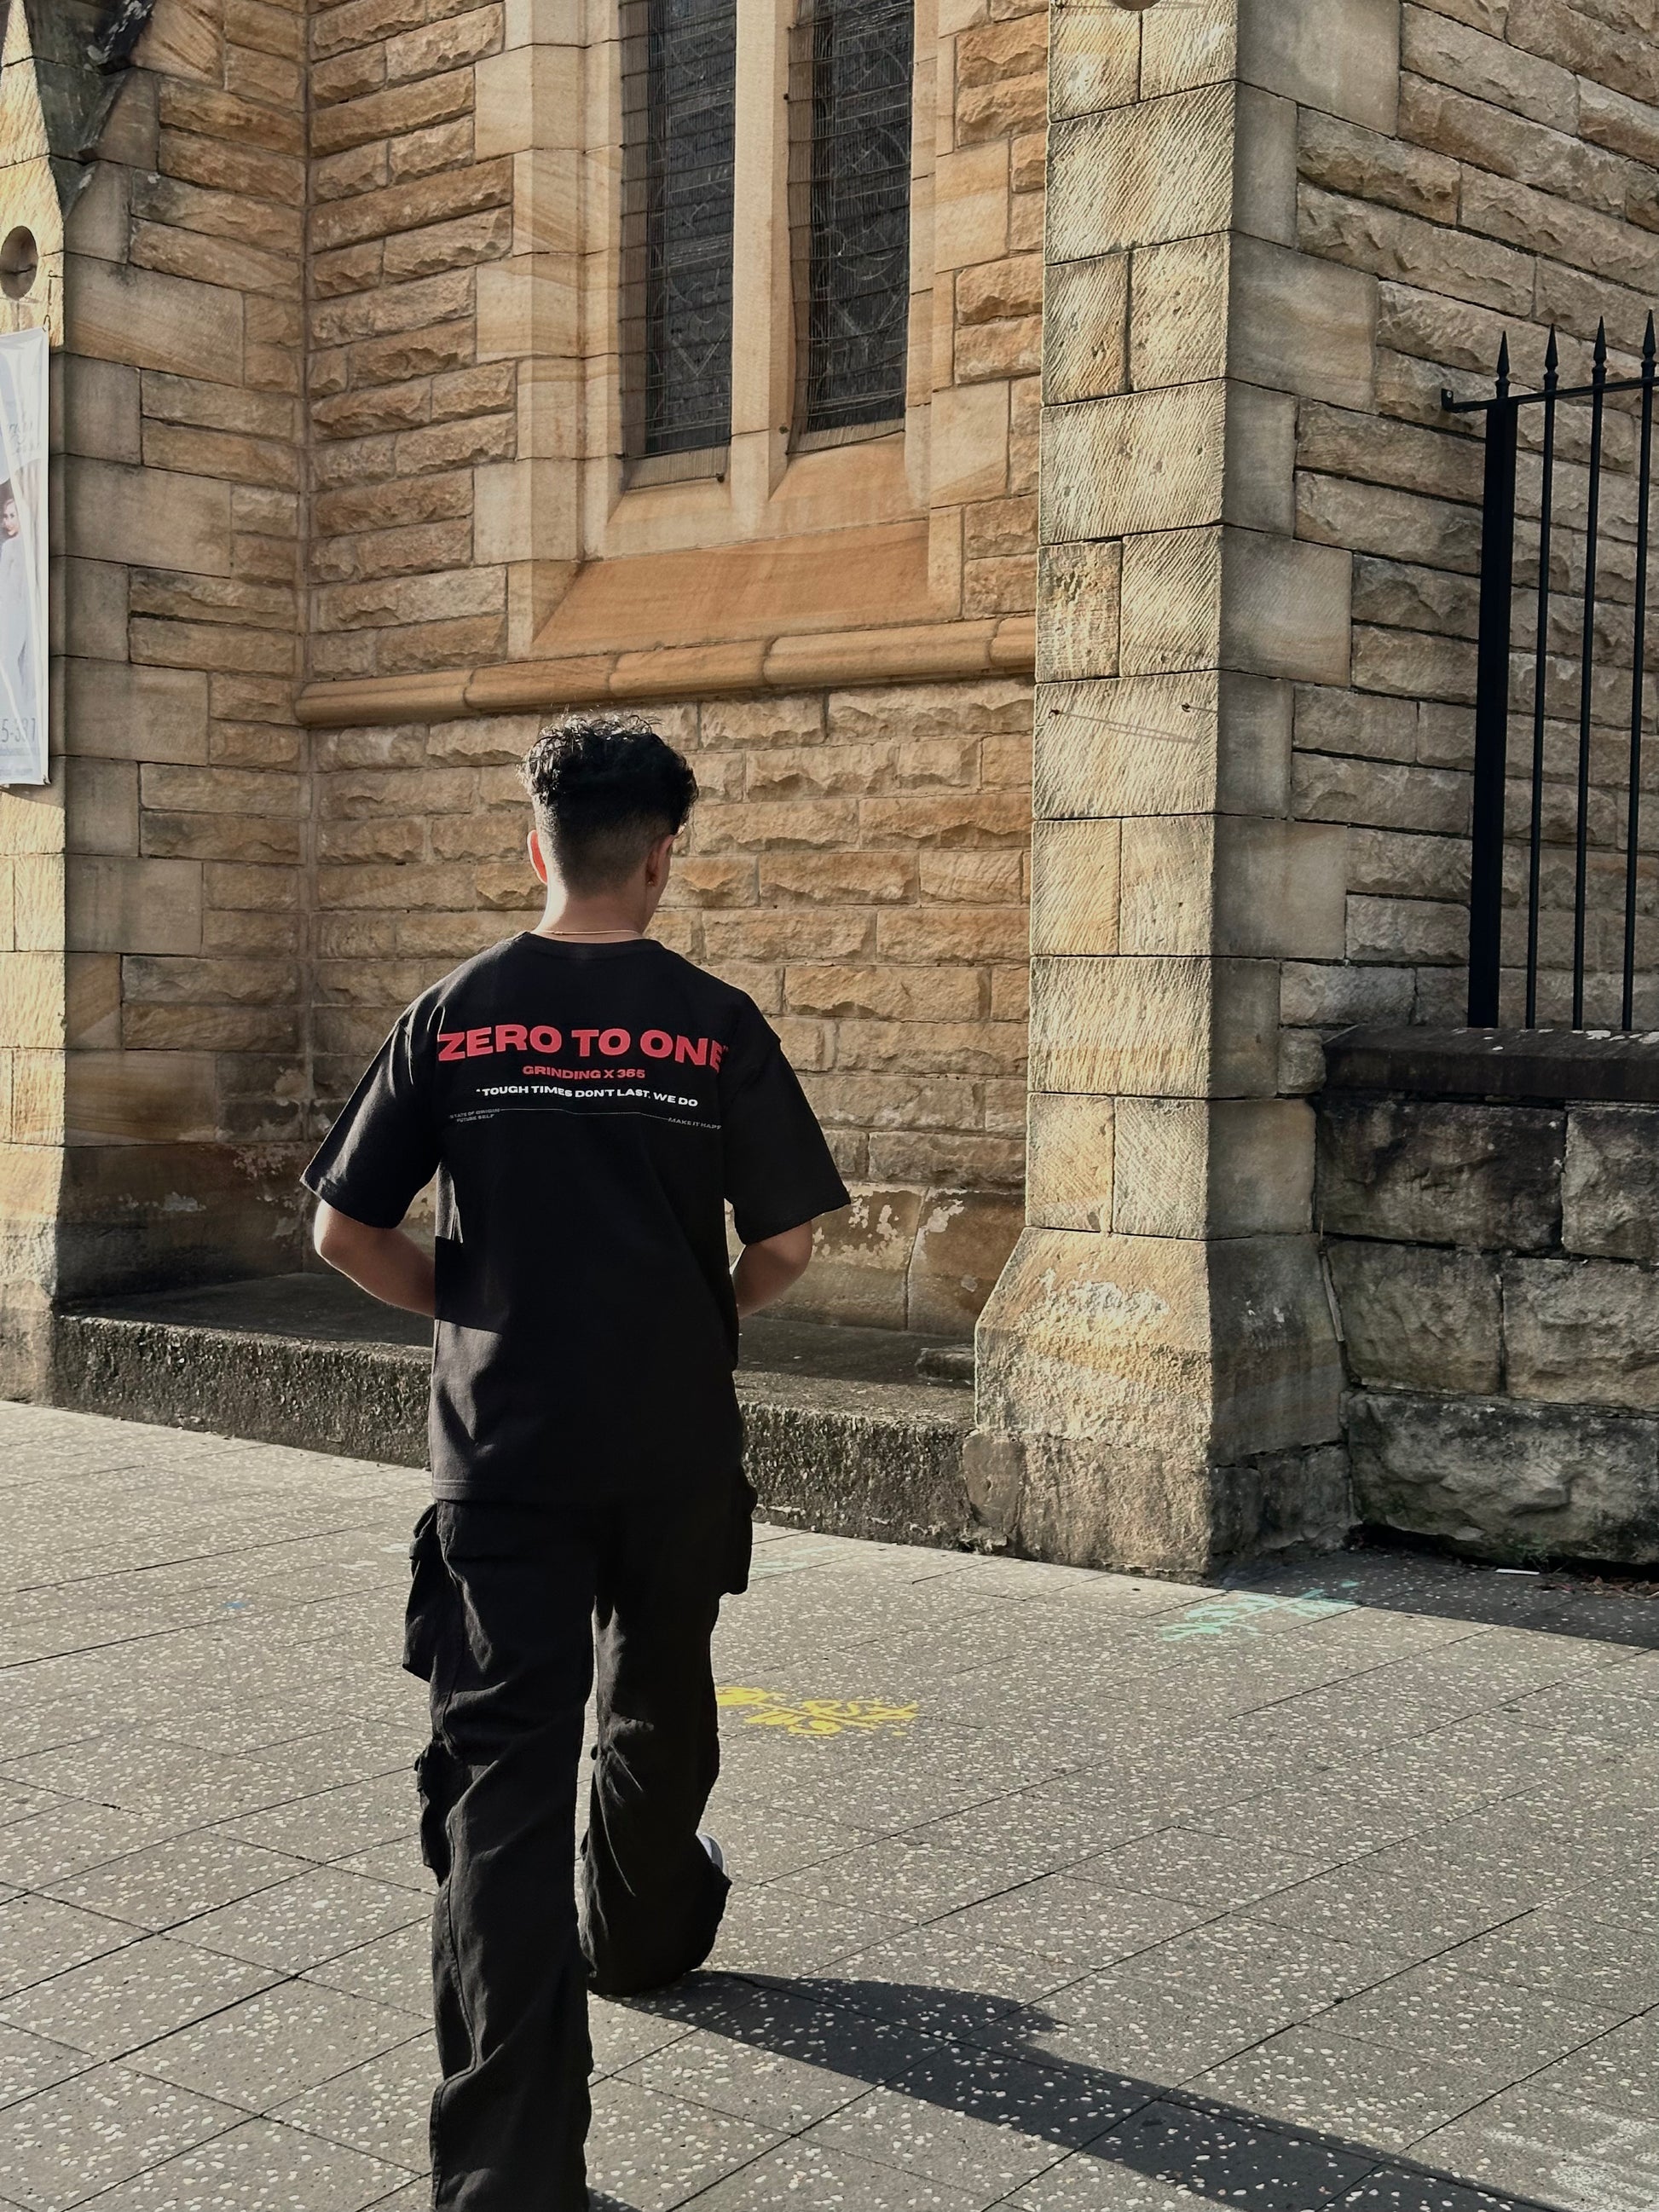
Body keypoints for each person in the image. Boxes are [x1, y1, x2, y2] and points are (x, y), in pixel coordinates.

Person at [302, 713, 849, 2210]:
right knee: (660, 1699)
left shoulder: (456, 1013)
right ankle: (646, 1931)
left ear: (535, 845)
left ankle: (508, 2174)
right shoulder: (714, 1019)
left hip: (508, 1452)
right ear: (661, 860)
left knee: (500, 1787)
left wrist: (465, 1306)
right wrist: (700, 1313)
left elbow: (345, 1228)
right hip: (671, 1440)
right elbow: (789, 1242)